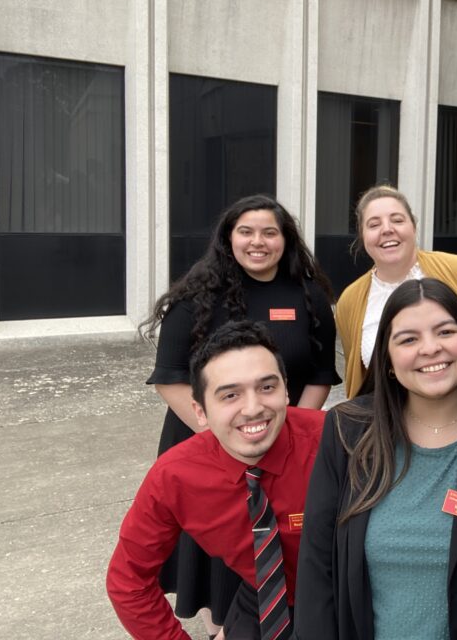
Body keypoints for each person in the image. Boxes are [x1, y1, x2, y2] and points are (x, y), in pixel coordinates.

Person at [140, 194, 340, 635]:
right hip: (204, 440)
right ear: (228, 238)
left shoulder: (308, 296)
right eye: (246, 231)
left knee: (280, 542)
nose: (258, 242)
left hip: (285, 448)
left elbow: (321, 376)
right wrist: (223, 436)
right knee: (220, 546)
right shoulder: (195, 297)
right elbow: (170, 377)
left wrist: (285, 433)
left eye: (270, 232)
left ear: (285, 240)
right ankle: (219, 627)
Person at [294, 278, 457, 640]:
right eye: (408, 339)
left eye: (445, 331)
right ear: (388, 360)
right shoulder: (347, 430)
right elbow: (316, 563)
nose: (430, 349)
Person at [108, 321, 325, 640]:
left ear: (286, 390)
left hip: (346, 597)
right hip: (262, 598)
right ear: (200, 411)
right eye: (230, 395)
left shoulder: (338, 442)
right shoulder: (175, 477)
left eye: (267, 387)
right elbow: (128, 581)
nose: (253, 408)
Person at [335, 185, 457, 399]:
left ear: (414, 227)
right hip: (389, 423)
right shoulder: (350, 301)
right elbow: (360, 380)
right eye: (374, 224)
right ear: (362, 236)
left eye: (397, 220)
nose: (387, 229)